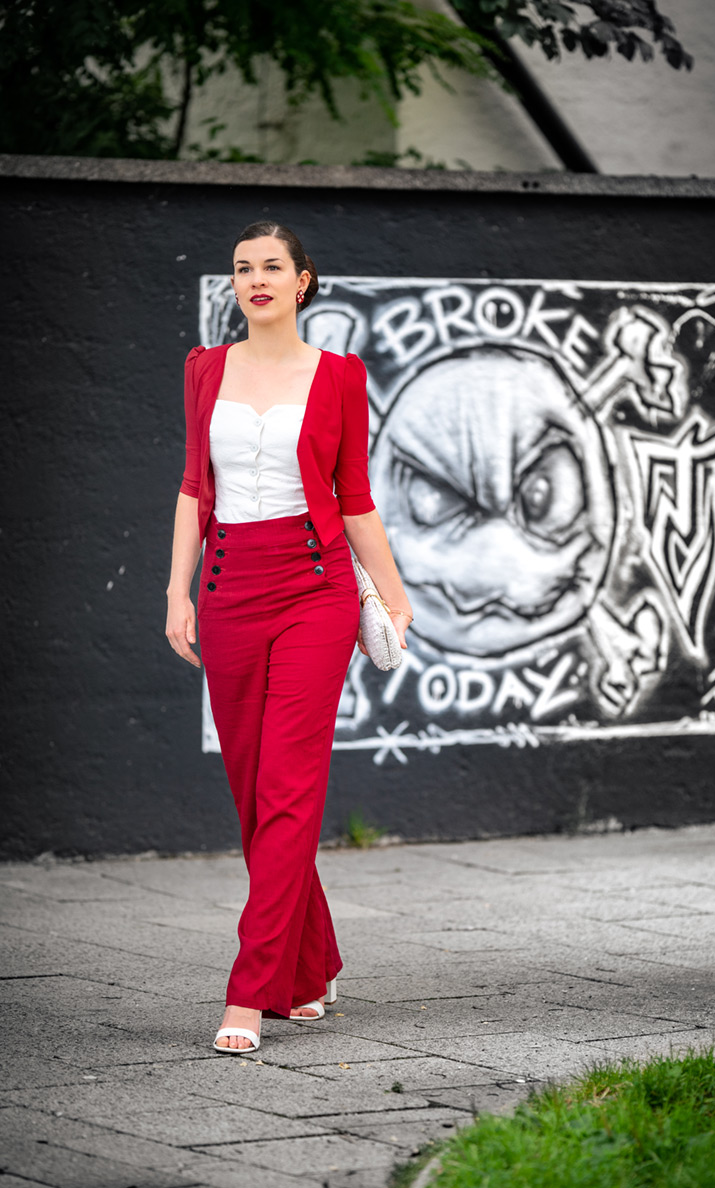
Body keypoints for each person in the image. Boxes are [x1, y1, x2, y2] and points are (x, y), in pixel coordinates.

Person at [165, 221, 412, 1053]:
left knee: (289, 788)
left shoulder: (340, 376)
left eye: (273, 266)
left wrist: (394, 591)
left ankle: (252, 989)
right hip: (230, 587)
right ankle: (313, 965)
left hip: (316, 590)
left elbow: (354, 498)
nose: (256, 279)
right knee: (251, 791)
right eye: (243, 268)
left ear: (303, 281)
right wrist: (178, 590)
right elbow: (195, 489)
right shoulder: (206, 370)